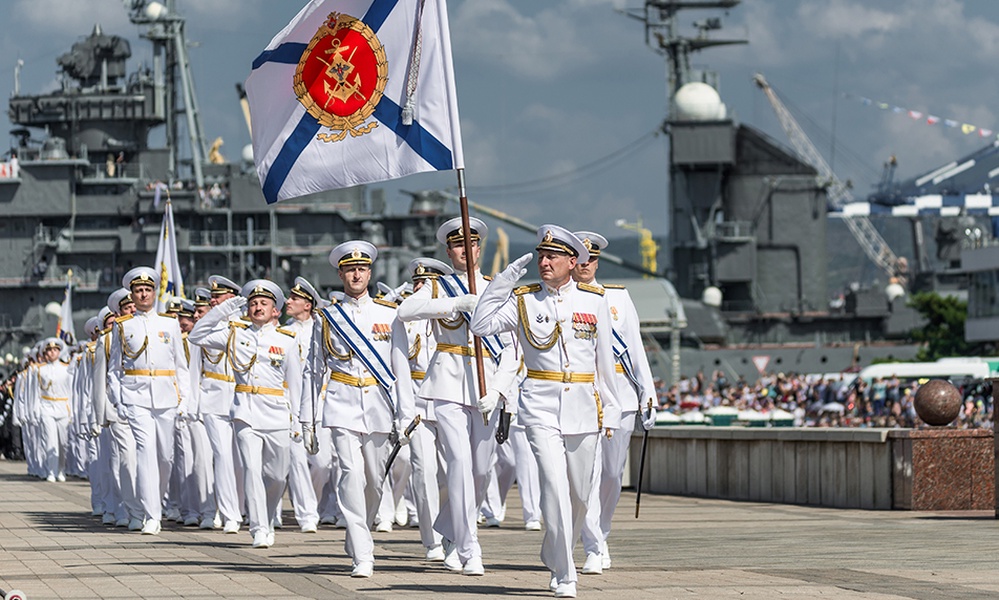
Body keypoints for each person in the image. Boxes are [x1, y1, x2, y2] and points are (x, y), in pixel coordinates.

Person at [470, 225, 620, 599]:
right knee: (552, 486)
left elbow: (605, 363)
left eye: (552, 256)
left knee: (581, 495)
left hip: (585, 404)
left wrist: (612, 411)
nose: (544, 261)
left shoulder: (593, 301)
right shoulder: (524, 300)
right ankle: (565, 574)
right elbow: (480, 323)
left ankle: (555, 549)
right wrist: (502, 282)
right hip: (539, 403)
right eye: (541, 255)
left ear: (574, 261)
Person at [396, 217, 520, 576]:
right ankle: (469, 548)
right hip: (448, 381)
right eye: (458, 245)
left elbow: (513, 347)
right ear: (449, 251)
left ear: (480, 249)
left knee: (481, 470)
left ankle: (451, 532)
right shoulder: (438, 287)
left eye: (472, 244)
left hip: (486, 384)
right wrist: (454, 304)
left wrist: (498, 389)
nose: (466, 251)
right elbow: (406, 311)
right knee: (459, 466)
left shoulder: (497, 289)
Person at [301, 240, 414, 577]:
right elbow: (313, 370)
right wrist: (308, 420)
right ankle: (363, 554)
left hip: (378, 405)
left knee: (375, 482)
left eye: (362, 269)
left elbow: (400, 366)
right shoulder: (327, 317)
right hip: (341, 403)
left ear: (370, 273)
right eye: (350, 270)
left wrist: (405, 413)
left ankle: (357, 532)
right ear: (340, 274)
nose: (356, 275)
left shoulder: (389, 314)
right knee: (349, 474)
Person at [189, 279, 303, 548]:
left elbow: (296, 385)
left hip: (276, 412)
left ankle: (269, 512)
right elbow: (196, 337)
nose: (257, 307)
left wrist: (298, 420)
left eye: (264, 303)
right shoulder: (234, 333)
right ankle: (259, 527)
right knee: (251, 469)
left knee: (277, 476)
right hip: (245, 411)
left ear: (276, 311)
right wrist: (221, 310)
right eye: (253, 303)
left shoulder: (286, 341)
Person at [572, 231, 657, 575]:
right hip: (582, 394)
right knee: (588, 476)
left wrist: (648, 395)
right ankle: (592, 544)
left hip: (620, 395)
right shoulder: (565, 300)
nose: (586, 265)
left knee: (611, 473)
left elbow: (636, 349)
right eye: (580, 259)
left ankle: (602, 531)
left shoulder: (618, 299)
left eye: (592, 259)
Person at [107, 266, 191, 535]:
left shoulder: (169, 324)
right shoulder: (123, 326)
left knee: (165, 457)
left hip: (166, 396)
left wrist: (185, 398)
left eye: (147, 289)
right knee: (144, 453)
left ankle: (156, 501)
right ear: (132, 295)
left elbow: (181, 366)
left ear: (155, 292)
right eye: (138, 290)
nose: (143, 294)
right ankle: (152, 515)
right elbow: (114, 369)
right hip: (136, 396)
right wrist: (119, 400)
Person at [192, 275, 244, 534]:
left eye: (219, 296)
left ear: (232, 298)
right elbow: (194, 368)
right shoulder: (207, 328)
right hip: (212, 397)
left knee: (243, 460)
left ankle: (244, 507)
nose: (213, 300)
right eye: (212, 297)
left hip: (241, 397)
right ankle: (230, 514)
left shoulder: (245, 325)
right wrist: (192, 402)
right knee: (222, 457)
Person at [282, 277, 322, 533]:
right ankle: (307, 514)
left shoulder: (320, 328)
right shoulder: (285, 332)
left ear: (307, 305)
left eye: (295, 299)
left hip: (321, 400)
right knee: (297, 460)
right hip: (290, 401)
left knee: (324, 463)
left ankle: (320, 503)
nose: (288, 301)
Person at [35, 338, 71, 482]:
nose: (52, 352)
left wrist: (72, 411)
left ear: (59, 351)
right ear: (45, 353)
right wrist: (36, 411)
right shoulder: (40, 370)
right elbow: (36, 393)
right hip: (47, 407)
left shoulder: (67, 368)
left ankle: (61, 469)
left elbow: (72, 391)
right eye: (49, 350)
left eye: (55, 350)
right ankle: (51, 471)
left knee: (63, 442)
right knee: (50, 441)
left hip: (63, 407)